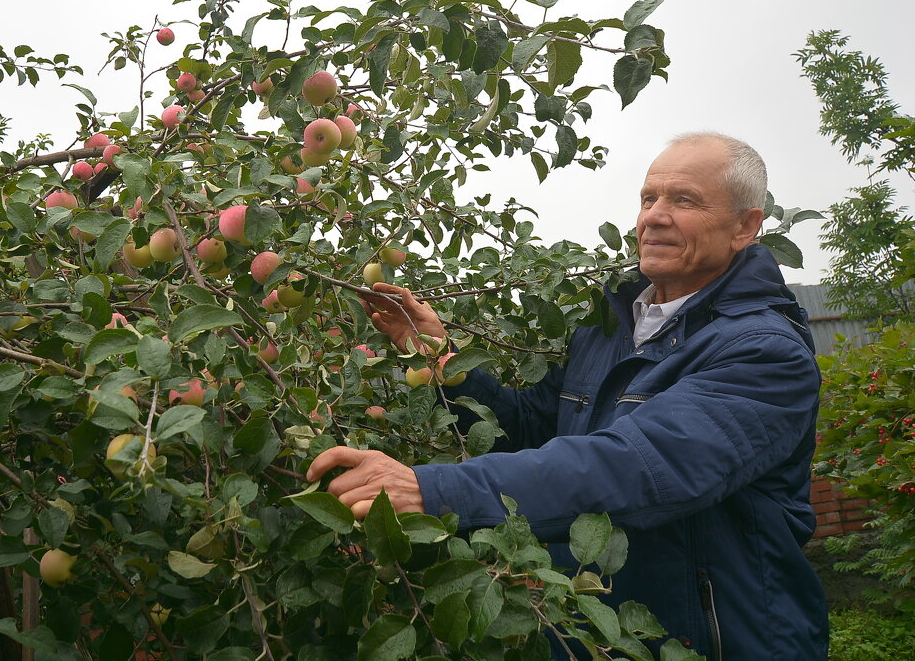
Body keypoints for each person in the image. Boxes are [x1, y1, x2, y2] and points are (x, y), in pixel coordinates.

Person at [307, 133, 828, 660]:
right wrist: (448, 364)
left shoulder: (764, 352)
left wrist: (433, 490)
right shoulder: (608, 327)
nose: (655, 217)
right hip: (593, 636)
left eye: (685, 200)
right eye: (649, 198)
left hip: (719, 640)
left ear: (746, 226)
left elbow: (637, 466)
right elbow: (536, 427)